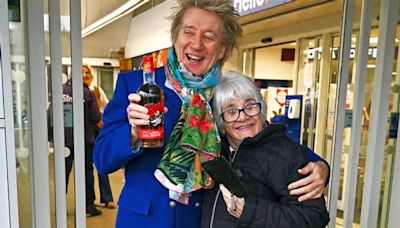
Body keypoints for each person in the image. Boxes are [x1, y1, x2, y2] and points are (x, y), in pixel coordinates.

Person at [94, 0, 329, 227]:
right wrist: (133, 132)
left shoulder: (225, 96)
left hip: (198, 219)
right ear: (175, 37)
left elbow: (264, 139)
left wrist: (319, 165)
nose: (196, 44)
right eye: (189, 32)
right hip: (143, 221)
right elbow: (102, 160)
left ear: (221, 50)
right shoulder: (137, 85)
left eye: (209, 36)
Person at [201, 72, 330, 227]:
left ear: (261, 109)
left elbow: (315, 217)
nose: (242, 117)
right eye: (231, 111)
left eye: (250, 106)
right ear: (220, 121)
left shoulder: (285, 154)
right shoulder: (213, 151)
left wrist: (250, 211)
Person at [62, 69, 102, 216]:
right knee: (86, 172)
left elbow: (50, 115)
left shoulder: (61, 91)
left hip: (64, 141)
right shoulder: (87, 93)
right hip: (84, 140)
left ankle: (60, 203)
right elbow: (95, 117)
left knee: (63, 172)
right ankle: (88, 205)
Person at [82, 64, 116, 209]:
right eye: (82, 72)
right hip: (85, 133)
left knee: (102, 165)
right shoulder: (76, 92)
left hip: (98, 131)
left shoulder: (96, 90)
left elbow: (107, 108)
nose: (85, 75)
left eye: (87, 72)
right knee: (87, 168)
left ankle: (107, 198)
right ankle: (89, 201)